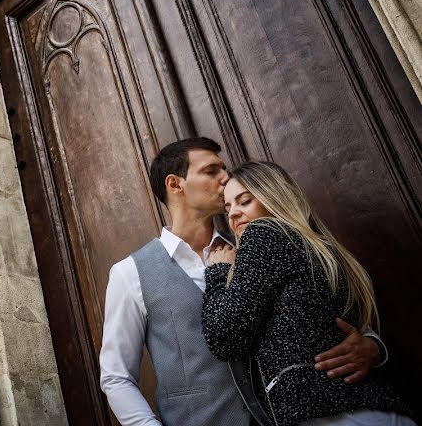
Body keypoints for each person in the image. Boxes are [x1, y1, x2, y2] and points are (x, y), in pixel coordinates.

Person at [100, 138, 384, 426]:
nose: (226, 178)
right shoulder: (130, 273)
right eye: (212, 171)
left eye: (224, 169)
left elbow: (323, 306)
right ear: (175, 185)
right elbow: (116, 377)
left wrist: (372, 346)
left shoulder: (254, 247)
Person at [203, 161, 414, 426]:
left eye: (244, 201)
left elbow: (224, 337)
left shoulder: (264, 234)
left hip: (332, 417)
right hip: (376, 412)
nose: (233, 214)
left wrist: (218, 272)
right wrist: (375, 347)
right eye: (227, 208)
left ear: (274, 197)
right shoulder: (322, 250)